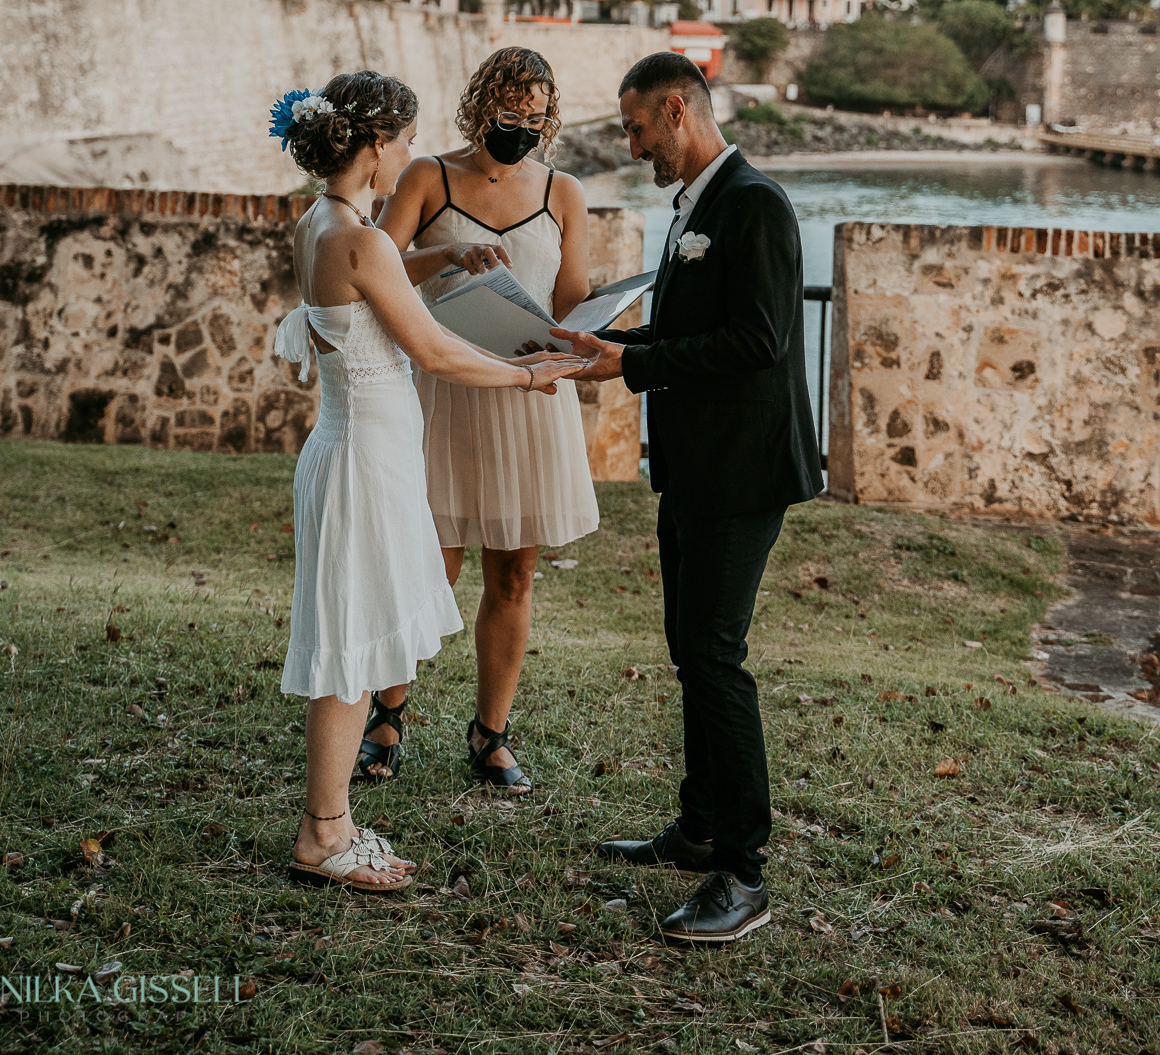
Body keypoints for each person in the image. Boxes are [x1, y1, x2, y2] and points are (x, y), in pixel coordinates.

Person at [270, 69, 588, 891]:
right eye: (404, 140)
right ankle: (324, 835)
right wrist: (529, 375)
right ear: (375, 145)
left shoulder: (322, 223)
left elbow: (375, 289)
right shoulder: (361, 237)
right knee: (349, 646)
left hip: (350, 450)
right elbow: (437, 351)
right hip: (363, 464)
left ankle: (327, 820)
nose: (410, 153)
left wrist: (442, 253)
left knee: (353, 634)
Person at [552, 51, 821, 944]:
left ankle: (743, 872)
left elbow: (759, 340)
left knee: (713, 653)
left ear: (677, 111)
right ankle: (699, 827)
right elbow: (689, 330)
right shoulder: (693, 209)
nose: (633, 149)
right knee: (687, 646)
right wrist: (608, 341)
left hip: (745, 471)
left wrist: (635, 362)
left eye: (636, 129)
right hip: (696, 465)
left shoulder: (756, 204)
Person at [375, 46, 599, 795]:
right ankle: (386, 716)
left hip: (530, 392)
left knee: (514, 572)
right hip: (443, 392)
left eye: (537, 120)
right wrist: (447, 258)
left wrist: (586, 324)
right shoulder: (427, 176)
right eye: (511, 117)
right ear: (480, 108)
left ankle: (490, 734)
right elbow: (369, 260)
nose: (524, 131)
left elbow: (570, 297)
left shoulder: (564, 191)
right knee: (427, 564)